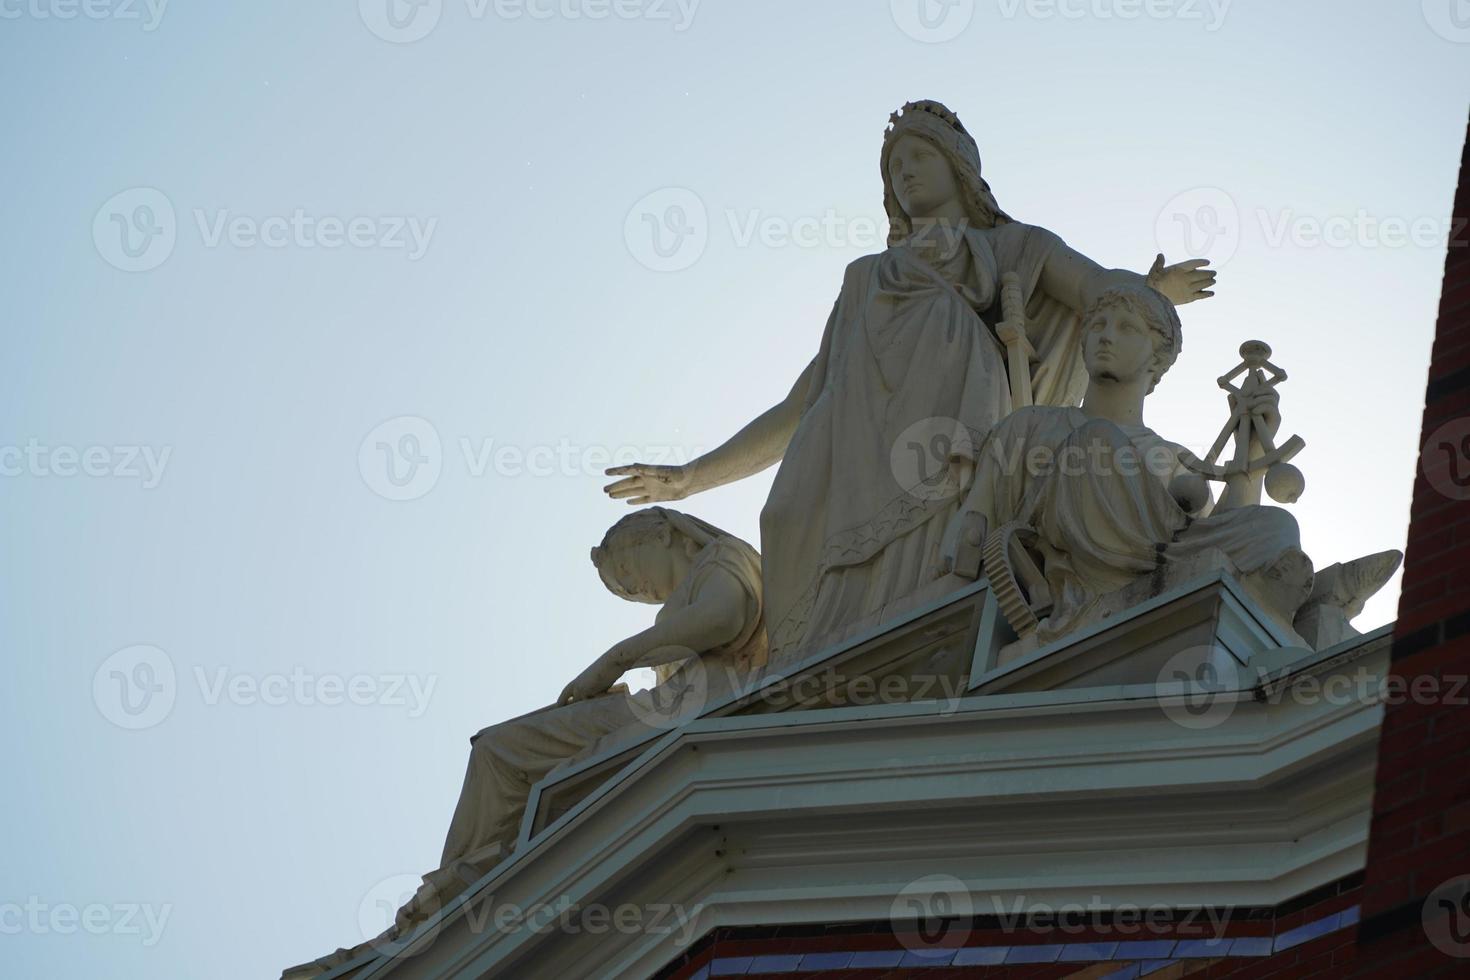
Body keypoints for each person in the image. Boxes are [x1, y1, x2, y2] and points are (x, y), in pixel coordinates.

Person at [605, 100, 1217, 662]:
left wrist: (1149, 295)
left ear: (961, 169)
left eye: (920, 156)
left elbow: (1099, 292)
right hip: (848, 461)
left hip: (952, 438)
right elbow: (804, 400)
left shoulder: (1013, 246)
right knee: (812, 560)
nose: (906, 173)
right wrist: (690, 479)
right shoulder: (865, 278)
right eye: (894, 166)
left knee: (941, 571)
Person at [397, 508, 764, 932]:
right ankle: (457, 887)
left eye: (627, 571)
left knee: (502, 754)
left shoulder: (722, 556)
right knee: (497, 752)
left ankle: (453, 895)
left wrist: (616, 660)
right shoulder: (684, 603)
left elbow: (725, 615)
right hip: (661, 711)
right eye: (626, 592)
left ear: (663, 534)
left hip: (685, 714)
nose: (635, 588)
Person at [952, 282, 1312, 643]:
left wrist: (1249, 449)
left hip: (1166, 568)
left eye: (1126, 327)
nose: (1106, 337)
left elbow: (1210, 542)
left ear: (1157, 358)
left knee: (1278, 526)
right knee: (1097, 441)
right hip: (1059, 580)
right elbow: (973, 522)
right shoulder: (1029, 425)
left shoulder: (1174, 460)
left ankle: (1237, 608)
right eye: (1097, 326)